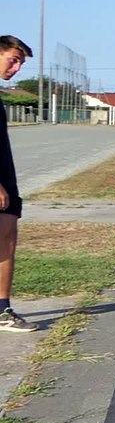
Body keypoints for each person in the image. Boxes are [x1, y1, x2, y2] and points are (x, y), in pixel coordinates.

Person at [0, 36, 36, 333]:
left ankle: (2, 309)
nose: (16, 67)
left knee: (8, 237)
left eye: (20, 63)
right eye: (13, 59)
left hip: (6, 178)